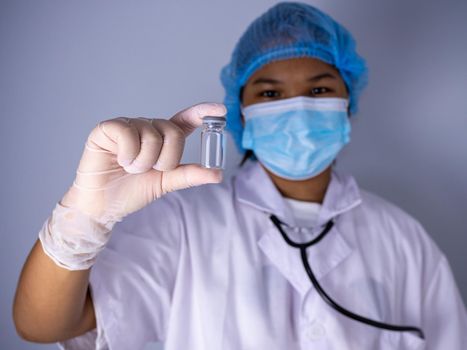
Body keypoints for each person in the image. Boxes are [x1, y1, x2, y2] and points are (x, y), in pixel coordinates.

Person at [13, 2, 467, 349]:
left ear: (348, 104)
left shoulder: (404, 238)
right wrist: (84, 218)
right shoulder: (183, 225)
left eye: (320, 88)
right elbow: (42, 324)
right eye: (270, 92)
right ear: (241, 113)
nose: (299, 106)